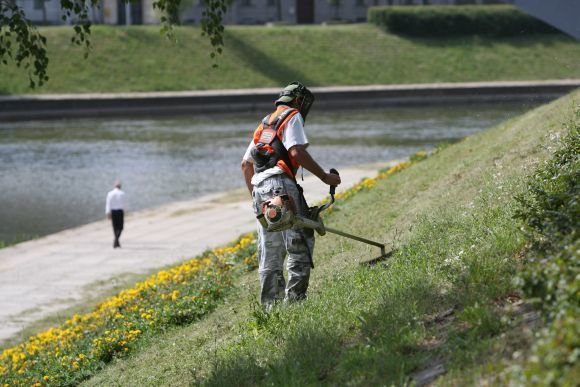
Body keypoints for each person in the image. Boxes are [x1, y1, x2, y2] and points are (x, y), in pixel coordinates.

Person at [241, 81, 341, 310]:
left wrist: (256, 200)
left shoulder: (264, 125)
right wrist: (325, 177)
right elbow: (296, 151)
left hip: (260, 189)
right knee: (300, 242)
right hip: (281, 185)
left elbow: (246, 165)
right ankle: (295, 304)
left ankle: (271, 310)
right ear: (298, 101)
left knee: (270, 252)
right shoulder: (292, 115)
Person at [105, 180, 127, 248]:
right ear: (120, 186)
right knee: (120, 227)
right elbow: (125, 204)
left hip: (113, 212)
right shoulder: (122, 193)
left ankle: (116, 240)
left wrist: (108, 213)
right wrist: (125, 211)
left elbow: (108, 204)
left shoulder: (110, 193)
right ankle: (116, 240)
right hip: (120, 212)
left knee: (115, 227)